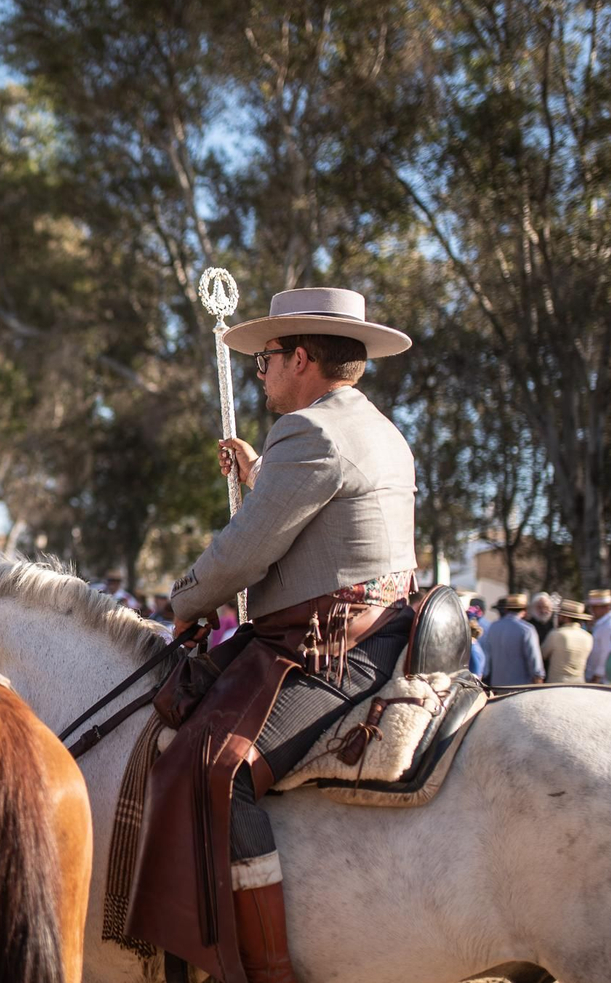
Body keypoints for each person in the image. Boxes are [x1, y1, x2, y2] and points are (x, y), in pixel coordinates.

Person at [127, 287, 417, 983]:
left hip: (330, 652)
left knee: (214, 772)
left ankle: (270, 970)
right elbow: (317, 528)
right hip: (378, 632)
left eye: (266, 359)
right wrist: (262, 478)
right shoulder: (375, 426)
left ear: (302, 358)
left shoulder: (311, 431)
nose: (258, 372)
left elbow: (244, 552)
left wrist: (185, 601)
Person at [483, 594, 544, 686]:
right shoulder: (527, 629)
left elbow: (487, 655)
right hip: (520, 687)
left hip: (496, 685)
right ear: (524, 610)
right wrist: (538, 677)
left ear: (506, 610)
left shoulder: (493, 627)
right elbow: (533, 657)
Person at [541, 598, 596, 683]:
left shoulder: (557, 634)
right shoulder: (588, 637)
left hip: (556, 684)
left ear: (565, 618)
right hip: (579, 684)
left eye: (559, 616)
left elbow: (543, 654)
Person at [584, 589, 611, 683]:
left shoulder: (610, 626)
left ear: (605, 607)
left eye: (595, 608)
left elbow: (607, 653)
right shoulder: (604, 624)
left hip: (603, 680)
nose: (592, 611)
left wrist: (597, 676)